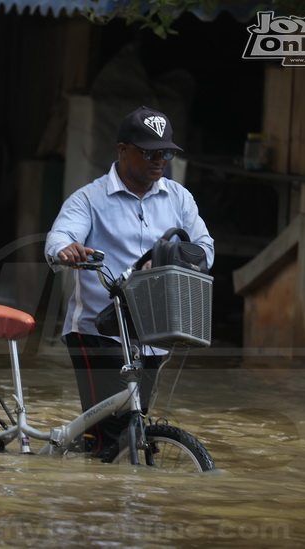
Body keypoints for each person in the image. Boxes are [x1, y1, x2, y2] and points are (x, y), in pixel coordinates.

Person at [44, 105, 214, 461]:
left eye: (166, 152)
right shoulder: (89, 199)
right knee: (109, 440)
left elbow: (205, 249)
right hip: (97, 332)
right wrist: (67, 249)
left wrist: (167, 259)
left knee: (133, 431)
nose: (160, 160)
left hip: (153, 334)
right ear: (123, 150)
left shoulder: (179, 198)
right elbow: (58, 237)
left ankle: (125, 503)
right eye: (150, 152)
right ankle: (96, 507)